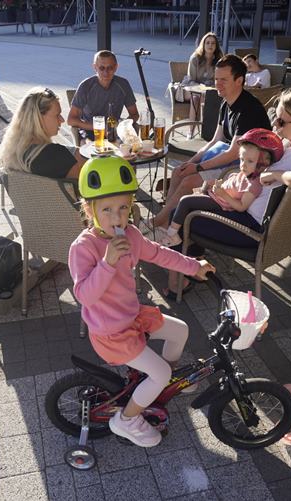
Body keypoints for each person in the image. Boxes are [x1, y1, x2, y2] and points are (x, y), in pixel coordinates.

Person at [68, 156, 215, 447]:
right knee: (159, 372)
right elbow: (85, 296)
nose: (117, 217)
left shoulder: (131, 235)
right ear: (89, 209)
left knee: (180, 331)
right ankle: (126, 419)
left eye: (123, 208)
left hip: (132, 315)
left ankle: (162, 385)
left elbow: (159, 253)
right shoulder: (83, 247)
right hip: (111, 332)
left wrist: (193, 266)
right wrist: (108, 262)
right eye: (107, 209)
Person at [163, 87, 291, 297]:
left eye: (281, 121)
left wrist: (277, 175)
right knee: (194, 200)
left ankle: (177, 284)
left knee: (180, 215)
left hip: (250, 231)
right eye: (275, 117)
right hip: (246, 214)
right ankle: (194, 263)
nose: (275, 125)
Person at [149, 54, 271, 229]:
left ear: (239, 81)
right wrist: (191, 163)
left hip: (246, 170)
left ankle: (159, 222)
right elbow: (215, 140)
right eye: (216, 79)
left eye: (224, 80)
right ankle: (166, 221)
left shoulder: (248, 110)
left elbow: (233, 153)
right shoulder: (226, 103)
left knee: (188, 182)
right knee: (178, 171)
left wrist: (198, 168)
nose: (218, 84)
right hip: (231, 160)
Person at [154, 128, 284, 249]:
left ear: (263, 164)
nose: (243, 165)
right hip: (217, 197)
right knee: (184, 204)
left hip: (221, 203)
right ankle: (185, 245)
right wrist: (218, 184)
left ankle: (171, 235)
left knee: (185, 202)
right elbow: (233, 185)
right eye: (241, 159)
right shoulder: (246, 174)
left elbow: (241, 207)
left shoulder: (254, 185)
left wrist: (223, 193)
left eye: (249, 161)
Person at [0, 87, 86, 179]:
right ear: (38, 118)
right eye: (57, 115)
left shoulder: (14, 152)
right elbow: (86, 183)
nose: (62, 120)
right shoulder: (55, 155)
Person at [67, 50, 140, 142]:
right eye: (102, 68)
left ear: (116, 67)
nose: (106, 72)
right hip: (90, 129)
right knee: (88, 145)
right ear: (95, 67)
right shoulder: (86, 86)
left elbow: (134, 114)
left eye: (110, 68)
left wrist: (122, 126)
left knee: (131, 146)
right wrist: (99, 127)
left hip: (114, 130)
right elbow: (71, 120)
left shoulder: (123, 84)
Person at [185, 32, 224, 124]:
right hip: (192, 88)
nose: (210, 45)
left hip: (210, 90)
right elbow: (190, 80)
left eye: (213, 43)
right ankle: (191, 130)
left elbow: (219, 79)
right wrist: (202, 89)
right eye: (208, 43)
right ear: (203, 44)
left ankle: (206, 128)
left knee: (208, 97)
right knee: (196, 98)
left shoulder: (219, 60)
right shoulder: (195, 58)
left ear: (216, 46)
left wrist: (209, 89)